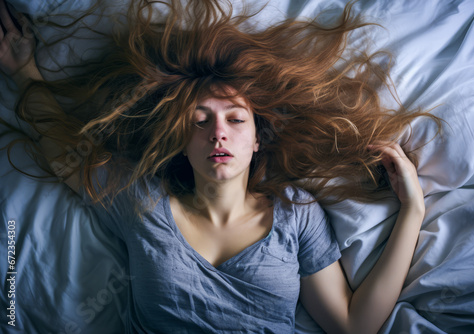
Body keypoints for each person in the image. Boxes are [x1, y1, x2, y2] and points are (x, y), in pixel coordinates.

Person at [0, 0, 438, 332]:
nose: (218, 133)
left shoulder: (295, 213)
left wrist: (413, 211)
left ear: (256, 138)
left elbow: (353, 325)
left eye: (235, 119)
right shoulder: (141, 202)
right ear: (182, 144)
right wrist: (23, 73)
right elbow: (62, 150)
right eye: (199, 121)